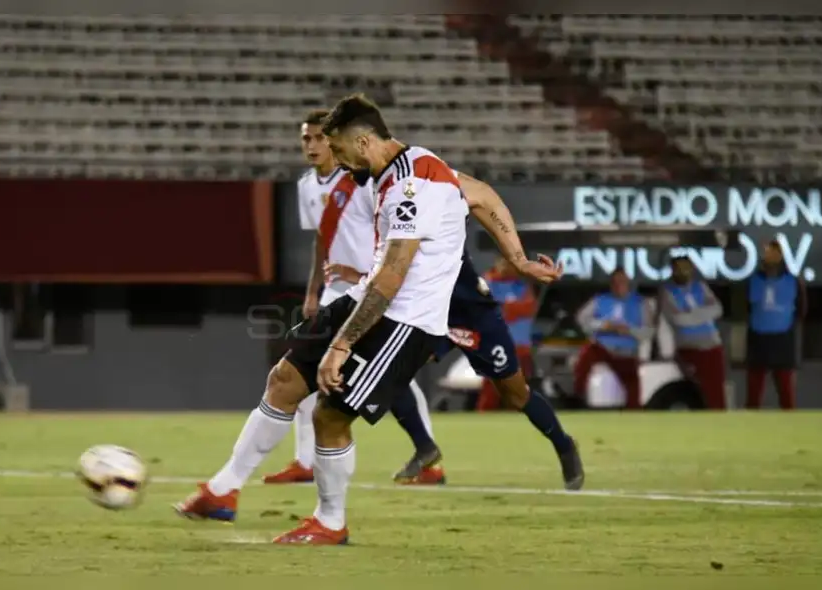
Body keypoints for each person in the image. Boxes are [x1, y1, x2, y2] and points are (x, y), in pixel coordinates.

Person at [175, 94, 565, 545]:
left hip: (405, 320)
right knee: (284, 380)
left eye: (339, 150)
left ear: (362, 141)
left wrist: (341, 345)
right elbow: (481, 194)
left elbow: (394, 276)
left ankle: (330, 521)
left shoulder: (409, 189)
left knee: (330, 415)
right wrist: (516, 257)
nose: (338, 161)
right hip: (367, 297)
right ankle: (222, 491)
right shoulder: (418, 163)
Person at [265, 109, 445, 486]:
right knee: (298, 366)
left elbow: (391, 243)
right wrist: (313, 291)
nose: (314, 146)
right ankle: (304, 460)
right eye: (307, 139)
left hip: (374, 289)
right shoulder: (307, 187)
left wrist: (360, 275)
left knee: (392, 378)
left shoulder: (365, 181)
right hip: (336, 290)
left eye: (321, 138)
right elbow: (321, 241)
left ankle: (428, 453)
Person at [573, 269, 653, 409]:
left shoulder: (640, 303)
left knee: (632, 383)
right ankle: (578, 397)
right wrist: (603, 325)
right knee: (586, 355)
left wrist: (629, 330)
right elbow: (581, 318)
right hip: (603, 346)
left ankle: (634, 411)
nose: (618, 286)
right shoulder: (600, 300)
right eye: (615, 283)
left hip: (626, 351)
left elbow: (648, 331)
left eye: (621, 282)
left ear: (628, 283)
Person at [745, 240, 807, 410]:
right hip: (758, 338)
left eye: (774, 252)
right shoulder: (753, 280)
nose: (770, 256)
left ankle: (790, 426)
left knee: (786, 390)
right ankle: (748, 425)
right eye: (767, 253)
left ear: (781, 256)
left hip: (783, 338)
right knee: (753, 392)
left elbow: (801, 309)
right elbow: (746, 307)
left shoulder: (793, 281)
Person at [659, 256, 726, 409]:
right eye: (679, 268)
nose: (684, 272)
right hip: (688, 346)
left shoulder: (700, 287)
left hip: (712, 344)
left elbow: (717, 309)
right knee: (698, 390)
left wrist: (692, 314)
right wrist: (702, 314)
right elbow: (678, 319)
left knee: (717, 389)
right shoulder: (667, 291)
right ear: (673, 270)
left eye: (687, 267)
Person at [475, 257, 537, 411]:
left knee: (518, 390)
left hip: (521, 347)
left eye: (511, 264)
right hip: (496, 345)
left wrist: (509, 308)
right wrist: (511, 308)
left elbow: (530, 307)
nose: (508, 267)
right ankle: (483, 419)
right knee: (492, 388)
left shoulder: (521, 286)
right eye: (504, 263)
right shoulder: (486, 283)